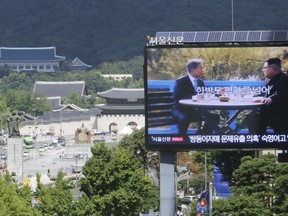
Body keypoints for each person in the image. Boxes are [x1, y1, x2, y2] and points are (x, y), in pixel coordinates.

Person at [172, 59, 219, 134]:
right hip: (182, 110)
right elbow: (178, 97)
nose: (202, 70)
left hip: (196, 111)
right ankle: (181, 141)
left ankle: (201, 136)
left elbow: (205, 94)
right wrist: (195, 97)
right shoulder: (180, 81)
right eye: (201, 68)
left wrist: (217, 93)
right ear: (193, 70)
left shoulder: (200, 82)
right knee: (183, 119)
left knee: (215, 116)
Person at [247, 58, 288, 134]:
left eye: (265, 68)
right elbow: (263, 93)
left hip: (280, 113)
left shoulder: (284, 79)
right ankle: (258, 142)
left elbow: (280, 94)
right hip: (267, 112)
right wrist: (252, 97)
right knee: (251, 116)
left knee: (255, 117)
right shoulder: (268, 79)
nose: (263, 70)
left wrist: (271, 98)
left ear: (273, 68)